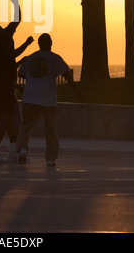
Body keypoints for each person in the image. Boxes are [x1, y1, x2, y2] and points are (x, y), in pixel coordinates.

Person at [16, 33, 83, 167]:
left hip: (30, 97)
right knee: (50, 127)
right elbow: (66, 74)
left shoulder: (31, 57)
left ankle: (22, 149)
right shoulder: (55, 58)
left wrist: (32, 80)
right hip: (47, 97)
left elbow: (21, 73)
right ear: (50, 44)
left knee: (26, 125)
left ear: (39, 44)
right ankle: (50, 158)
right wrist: (76, 91)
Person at [0, 0, 34, 162]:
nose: (0, 27)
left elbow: (16, 19)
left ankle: (12, 146)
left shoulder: (5, 35)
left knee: (9, 114)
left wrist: (15, 4)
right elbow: (11, 56)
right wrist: (26, 45)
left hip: (5, 82)